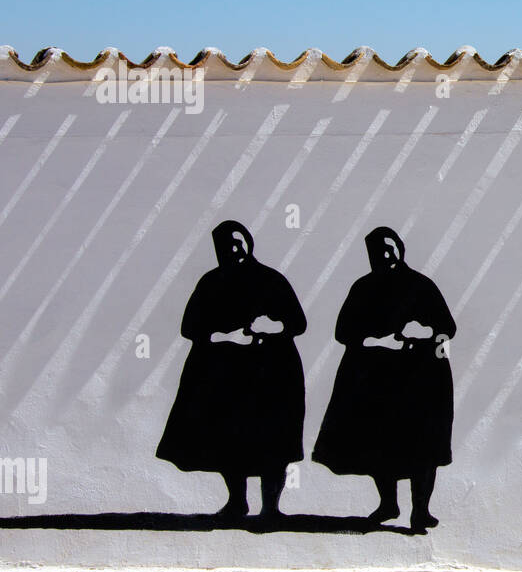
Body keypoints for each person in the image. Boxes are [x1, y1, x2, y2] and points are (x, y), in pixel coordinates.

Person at [156, 220, 307, 521]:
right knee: (230, 441)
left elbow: (298, 322)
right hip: (225, 377)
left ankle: (271, 508)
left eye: (238, 242)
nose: (234, 248)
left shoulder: (272, 280)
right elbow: (190, 327)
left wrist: (274, 326)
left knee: (273, 441)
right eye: (226, 245)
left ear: (249, 242)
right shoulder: (211, 282)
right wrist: (225, 336)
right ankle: (237, 501)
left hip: (272, 375)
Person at [312, 227, 456, 531]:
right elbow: (343, 332)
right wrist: (376, 341)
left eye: (390, 248)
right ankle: (388, 504)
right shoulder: (363, 288)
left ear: (401, 248)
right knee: (382, 446)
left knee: (424, 447)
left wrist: (427, 332)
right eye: (379, 250)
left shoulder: (422, 285)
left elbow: (447, 327)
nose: (386, 254)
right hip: (376, 381)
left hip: (421, 380)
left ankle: (420, 511)